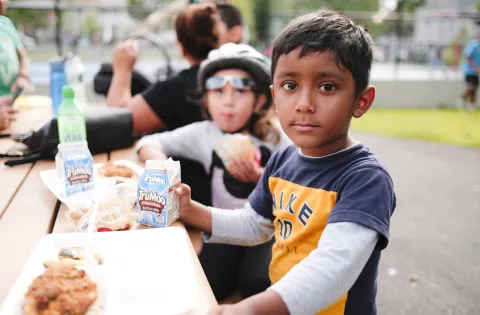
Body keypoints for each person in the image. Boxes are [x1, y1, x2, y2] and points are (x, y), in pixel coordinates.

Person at [174, 10, 396, 315]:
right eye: (290, 86)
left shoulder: (365, 179)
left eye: (327, 86)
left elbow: (333, 269)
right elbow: (254, 224)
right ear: (274, 96)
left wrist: (249, 309)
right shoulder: (283, 161)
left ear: (361, 101)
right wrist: (190, 210)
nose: (304, 104)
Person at [136, 43, 290, 301]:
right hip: (222, 227)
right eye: (218, 91)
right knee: (205, 283)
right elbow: (147, 143)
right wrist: (163, 168)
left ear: (260, 100)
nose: (228, 101)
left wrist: (259, 177)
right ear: (205, 99)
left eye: (240, 91)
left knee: (258, 281)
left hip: (268, 230)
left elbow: (299, 184)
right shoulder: (204, 134)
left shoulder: (276, 137)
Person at [106, 2, 219, 134]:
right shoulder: (235, 74)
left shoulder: (176, 89)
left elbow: (116, 123)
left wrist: (122, 70)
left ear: (181, 49)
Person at [0, 0, 33, 96]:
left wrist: (23, 76)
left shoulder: (6, 23)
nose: (6, 1)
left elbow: (23, 57)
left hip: (12, 96)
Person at [460, 34, 480, 111]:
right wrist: (474, 66)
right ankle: (461, 98)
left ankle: (472, 105)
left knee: (475, 88)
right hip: (469, 70)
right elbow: (467, 56)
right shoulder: (474, 44)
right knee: (471, 86)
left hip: (476, 71)